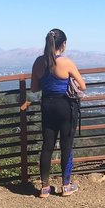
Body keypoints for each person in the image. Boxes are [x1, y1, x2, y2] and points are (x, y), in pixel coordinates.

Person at [30, 28, 86, 198]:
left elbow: (34, 88)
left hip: (47, 105)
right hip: (65, 107)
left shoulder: (38, 62)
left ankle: (45, 188)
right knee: (66, 146)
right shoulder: (66, 63)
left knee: (47, 147)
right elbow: (82, 86)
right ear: (63, 44)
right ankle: (66, 186)